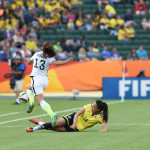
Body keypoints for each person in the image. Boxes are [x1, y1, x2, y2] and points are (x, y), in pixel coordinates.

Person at [26, 41, 73, 127]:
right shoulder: (50, 57)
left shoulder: (36, 54)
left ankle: (52, 114)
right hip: (45, 80)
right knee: (28, 87)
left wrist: (34, 62)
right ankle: (31, 103)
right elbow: (57, 63)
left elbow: (28, 63)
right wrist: (67, 61)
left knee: (40, 101)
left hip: (36, 79)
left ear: (42, 48)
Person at [26, 100, 108, 132]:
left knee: (52, 128)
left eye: (94, 106)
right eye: (93, 105)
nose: (92, 106)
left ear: (98, 110)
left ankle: (40, 122)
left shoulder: (100, 117)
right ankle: (33, 129)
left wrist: (101, 131)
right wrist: (74, 122)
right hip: (73, 118)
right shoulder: (88, 106)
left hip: (76, 128)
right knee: (56, 124)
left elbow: (105, 128)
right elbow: (78, 113)